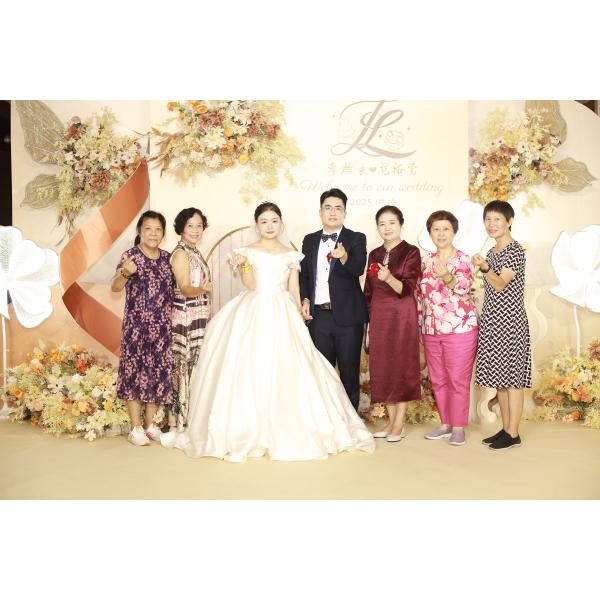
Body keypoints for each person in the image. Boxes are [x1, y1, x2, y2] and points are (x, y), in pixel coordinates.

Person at [162, 201, 374, 461]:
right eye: (264, 221)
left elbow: (294, 288)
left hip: (283, 310)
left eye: (274, 221)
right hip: (254, 308)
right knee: (251, 365)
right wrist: (244, 265)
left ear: (281, 223)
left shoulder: (291, 254)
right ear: (257, 225)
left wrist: (300, 310)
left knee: (290, 367)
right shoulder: (247, 251)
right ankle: (248, 428)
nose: (269, 226)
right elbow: (251, 285)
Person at [299, 188, 369, 411]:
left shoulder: (356, 238)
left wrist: (345, 256)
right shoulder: (309, 240)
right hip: (318, 317)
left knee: (349, 372)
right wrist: (305, 298)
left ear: (344, 213)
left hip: (348, 317)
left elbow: (358, 269)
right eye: (328, 208)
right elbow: (304, 275)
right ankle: (327, 418)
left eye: (338, 208)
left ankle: (351, 420)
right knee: (322, 372)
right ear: (320, 212)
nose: (332, 212)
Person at [472, 200, 532, 451]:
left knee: (513, 380)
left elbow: (500, 284)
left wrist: (485, 268)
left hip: (510, 322)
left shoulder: (515, 250)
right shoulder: (492, 251)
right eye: (488, 219)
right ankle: (506, 429)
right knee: (501, 380)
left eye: (497, 219)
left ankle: (513, 433)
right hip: (493, 320)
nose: (491, 224)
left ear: (509, 222)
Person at [111, 210, 173, 446]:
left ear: (163, 233)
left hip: (162, 328)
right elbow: (115, 287)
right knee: (134, 374)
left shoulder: (167, 258)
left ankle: (150, 425)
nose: (153, 234)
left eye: (158, 229)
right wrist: (126, 273)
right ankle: (135, 428)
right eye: (148, 229)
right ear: (140, 231)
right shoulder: (131, 256)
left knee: (156, 373)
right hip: (136, 327)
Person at [418, 210, 479, 446]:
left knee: (457, 380)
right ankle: (445, 424)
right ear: (430, 233)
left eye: (446, 229)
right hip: (431, 330)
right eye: (436, 229)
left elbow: (463, 287)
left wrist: (447, 277)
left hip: (460, 329)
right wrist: (420, 327)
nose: (441, 233)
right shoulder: (426, 261)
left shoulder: (464, 260)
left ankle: (458, 427)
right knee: (438, 379)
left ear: (454, 232)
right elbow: (420, 297)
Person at [363, 205, 421, 442]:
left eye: (392, 223)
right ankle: (390, 421)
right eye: (382, 224)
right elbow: (368, 290)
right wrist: (368, 320)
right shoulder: (374, 254)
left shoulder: (411, 252)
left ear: (401, 225)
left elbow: (407, 288)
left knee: (401, 365)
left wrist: (388, 277)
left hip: (402, 314)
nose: (387, 228)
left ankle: (399, 423)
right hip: (379, 315)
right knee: (383, 366)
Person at [160, 208, 212, 448]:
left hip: (198, 315)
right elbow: (184, 287)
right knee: (182, 366)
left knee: (194, 366)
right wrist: (203, 289)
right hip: (185, 317)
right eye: (190, 225)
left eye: (199, 225)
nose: (195, 230)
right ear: (181, 227)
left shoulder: (194, 251)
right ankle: (176, 423)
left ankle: (189, 419)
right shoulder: (181, 253)